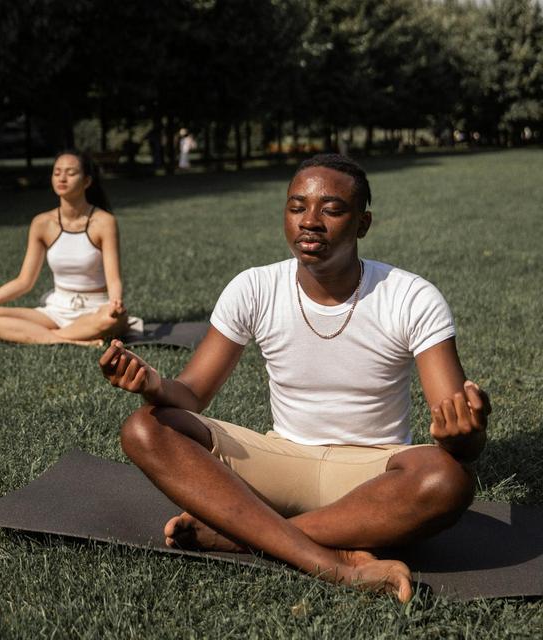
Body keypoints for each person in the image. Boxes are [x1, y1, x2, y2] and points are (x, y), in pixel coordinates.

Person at [98, 154, 491, 601]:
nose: (310, 221)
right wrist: (153, 385)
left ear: (362, 223)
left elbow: (458, 434)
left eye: (332, 209)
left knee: (446, 479)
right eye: (297, 206)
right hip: (279, 460)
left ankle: (241, 536)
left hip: (372, 475)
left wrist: (465, 435)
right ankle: (331, 562)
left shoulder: (411, 296)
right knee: (145, 427)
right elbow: (191, 394)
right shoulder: (254, 287)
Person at [0, 150, 129, 346]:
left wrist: (115, 303)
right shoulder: (42, 223)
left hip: (96, 309)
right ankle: (73, 340)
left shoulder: (104, 222)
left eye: (70, 173)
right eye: (57, 172)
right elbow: (24, 281)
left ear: (86, 181)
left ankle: (44, 336)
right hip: (57, 310)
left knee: (110, 320)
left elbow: (114, 279)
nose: (62, 178)